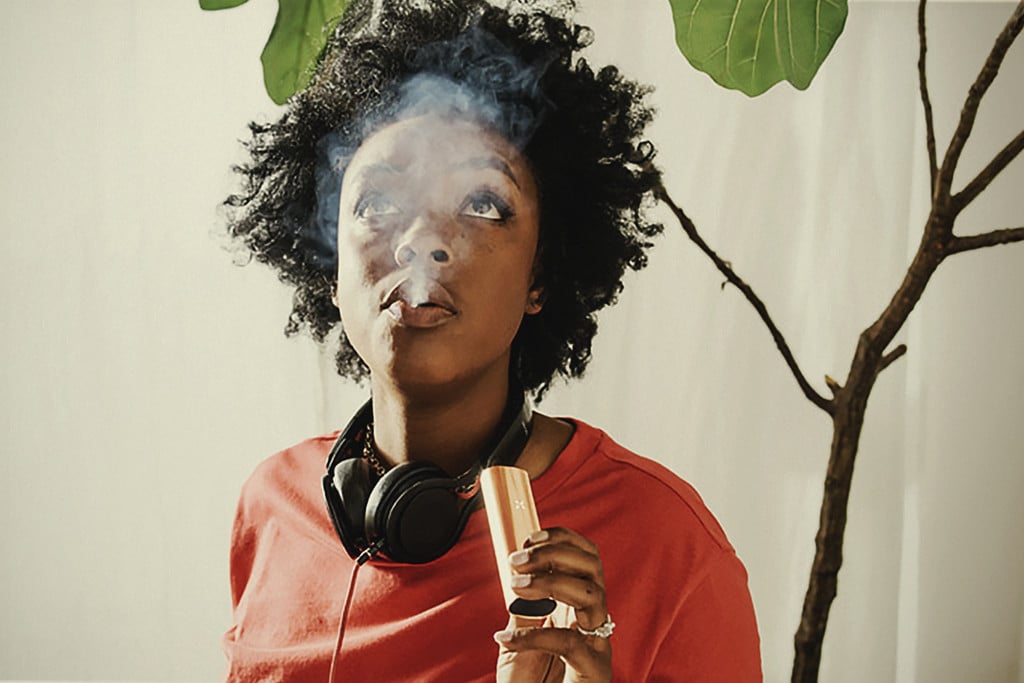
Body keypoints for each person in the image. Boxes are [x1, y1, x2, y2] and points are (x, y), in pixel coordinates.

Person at [220, 0, 762, 680]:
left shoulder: (667, 542)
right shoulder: (270, 507)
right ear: (330, 271)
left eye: (482, 204)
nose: (422, 241)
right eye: (378, 202)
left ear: (542, 277)